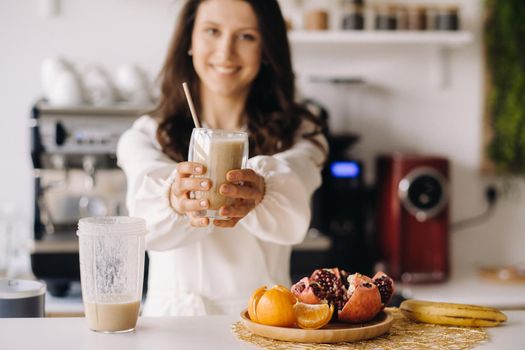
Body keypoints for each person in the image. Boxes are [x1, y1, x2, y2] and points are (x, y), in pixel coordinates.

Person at [117, 0, 327, 316]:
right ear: (189, 40)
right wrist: (174, 197)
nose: (226, 52)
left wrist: (263, 189)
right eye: (212, 31)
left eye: (246, 36)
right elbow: (144, 220)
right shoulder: (147, 135)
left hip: (264, 322)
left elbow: (297, 178)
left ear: (267, 48)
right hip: (173, 326)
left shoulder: (300, 132)